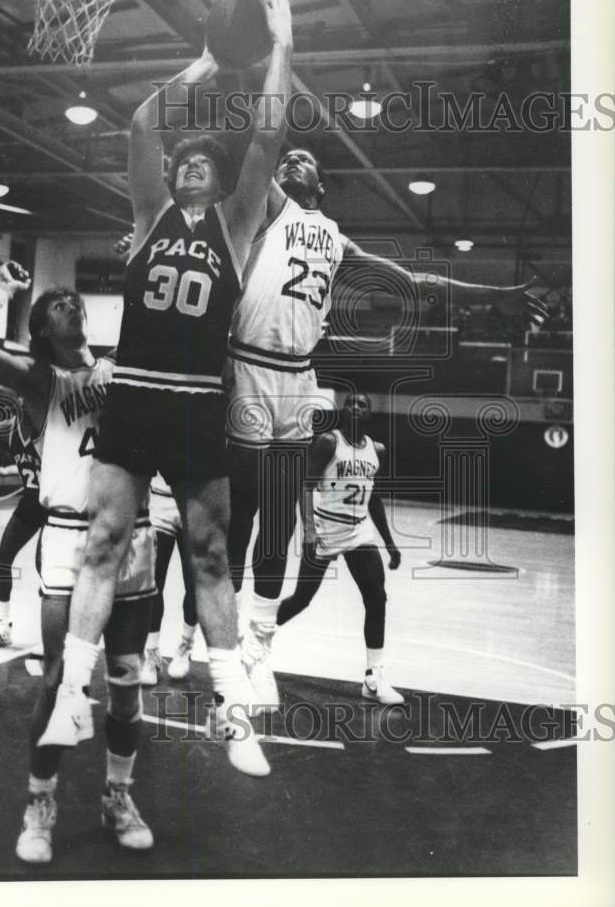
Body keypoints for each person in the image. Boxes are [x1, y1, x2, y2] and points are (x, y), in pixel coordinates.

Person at [39, 0, 293, 778]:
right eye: (182, 160)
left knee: (213, 554)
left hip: (195, 403)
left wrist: (281, 43)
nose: (187, 164)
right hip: (138, 396)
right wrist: (209, 62)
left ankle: (232, 709)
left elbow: (269, 137)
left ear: (215, 179)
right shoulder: (146, 216)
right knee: (106, 541)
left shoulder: (237, 222)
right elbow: (144, 123)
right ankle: (72, 694)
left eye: (200, 162)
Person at [227, 147, 550, 706]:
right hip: (245, 364)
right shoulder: (269, 206)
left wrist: (494, 296)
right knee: (236, 515)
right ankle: (203, 638)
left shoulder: (336, 239)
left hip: (297, 377)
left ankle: (256, 650)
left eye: (303, 159)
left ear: (322, 187)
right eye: (286, 158)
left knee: (278, 518)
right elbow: (249, 150)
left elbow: (415, 278)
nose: (291, 161)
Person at [0, 265, 156, 863]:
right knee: (60, 677)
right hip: (68, 537)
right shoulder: (43, 380)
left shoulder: (123, 365)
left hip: (131, 535)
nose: (69, 303)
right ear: (42, 329)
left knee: (124, 682)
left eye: (74, 300)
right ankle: (39, 802)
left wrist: (141, 261)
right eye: (56, 303)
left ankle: (119, 794)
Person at [276, 393, 404, 703]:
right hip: (326, 530)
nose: (356, 407)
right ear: (342, 411)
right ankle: (255, 639)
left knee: (377, 597)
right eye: (350, 403)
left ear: (369, 414)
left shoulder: (377, 450)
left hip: (359, 533)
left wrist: (390, 544)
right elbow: (305, 486)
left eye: (362, 404)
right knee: (302, 599)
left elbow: (373, 497)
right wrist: (308, 531)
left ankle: (374, 677)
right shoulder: (327, 443)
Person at [0, 410, 47, 648]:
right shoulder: (9, 426)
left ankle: (55, 636)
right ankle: (3, 627)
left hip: (55, 501)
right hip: (31, 500)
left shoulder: (52, 422)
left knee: (46, 566)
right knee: (3, 556)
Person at [140, 473, 198, 685]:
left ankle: (186, 646)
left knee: (194, 584)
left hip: (195, 500)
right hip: (160, 499)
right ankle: (152, 653)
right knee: (153, 581)